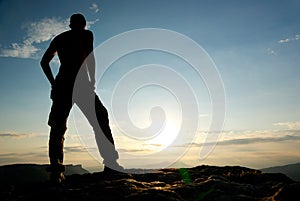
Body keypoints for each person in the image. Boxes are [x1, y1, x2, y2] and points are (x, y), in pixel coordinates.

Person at [40, 13, 122, 184]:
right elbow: (90, 57)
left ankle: (56, 171)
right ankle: (110, 163)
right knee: (99, 118)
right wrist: (92, 80)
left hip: (63, 84)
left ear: (70, 25)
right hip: (80, 84)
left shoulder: (60, 38)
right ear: (83, 24)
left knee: (58, 127)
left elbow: (44, 62)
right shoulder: (86, 34)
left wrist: (53, 83)